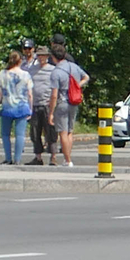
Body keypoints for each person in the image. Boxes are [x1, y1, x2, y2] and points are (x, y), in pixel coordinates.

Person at [46, 37, 89, 166]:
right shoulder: (74, 66)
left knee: (63, 132)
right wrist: (77, 86)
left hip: (62, 102)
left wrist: (51, 112)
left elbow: (54, 95)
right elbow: (86, 77)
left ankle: (67, 159)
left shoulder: (56, 72)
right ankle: (68, 159)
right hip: (74, 101)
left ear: (53, 57)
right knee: (70, 131)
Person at [0, 50, 33, 164]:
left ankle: (8, 158)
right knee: (20, 134)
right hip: (22, 106)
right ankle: (18, 159)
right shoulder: (26, 75)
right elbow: (30, 94)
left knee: (5, 134)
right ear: (20, 61)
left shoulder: (3, 74)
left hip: (7, 107)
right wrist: (30, 109)